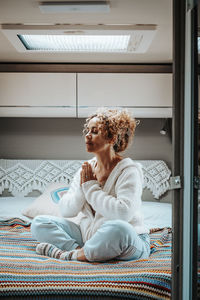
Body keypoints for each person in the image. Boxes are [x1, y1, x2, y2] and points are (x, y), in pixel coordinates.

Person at [31, 108, 150, 262]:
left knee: (119, 228)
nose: (87, 135)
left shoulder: (129, 171)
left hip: (128, 240)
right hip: (88, 236)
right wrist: (83, 187)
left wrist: (91, 188)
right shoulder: (86, 170)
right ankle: (77, 252)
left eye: (94, 131)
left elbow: (123, 213)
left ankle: (76, 254)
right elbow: (66, 210)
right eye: (87, 130)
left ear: (112, 138)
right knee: (39, 223)